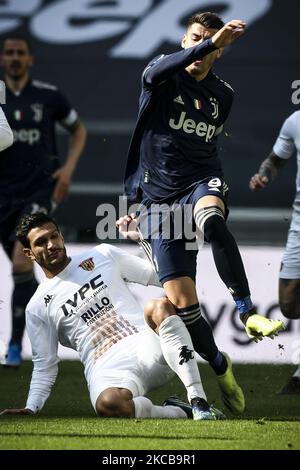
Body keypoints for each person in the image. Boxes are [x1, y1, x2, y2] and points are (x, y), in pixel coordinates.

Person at [123, 11, 284, 376]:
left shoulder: (223, 95)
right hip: (157, 198)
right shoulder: (161, 75)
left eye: (208, 43)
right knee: (185, 305)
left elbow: (206, 142)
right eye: (194, 38)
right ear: (184, 41)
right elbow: (150, 74)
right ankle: (218, 363)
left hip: (201, 179)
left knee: (211, 221)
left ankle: (247, 312)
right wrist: (211, 41)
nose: (199, 48)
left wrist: (209, 184)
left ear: (221, 53)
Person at [0, 213, 228, 420]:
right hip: (107, 368)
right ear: (28, 253)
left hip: (151, 347)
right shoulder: (37, 307)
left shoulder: (102, 254)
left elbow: (164, 277)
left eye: (54, 236)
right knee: (109, 406)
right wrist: (32, 407)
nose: (51, 245)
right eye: (41, 242)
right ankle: (180, 412)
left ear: (61, 236)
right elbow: (44, 365)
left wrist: (144, 240)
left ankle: (199, 401)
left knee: (158, 306)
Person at [0, 35, 87, 366]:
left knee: (22, 262)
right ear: (2, 59)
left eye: (20, 53)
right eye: (9, 53)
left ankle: (13, 346)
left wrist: (67, 171)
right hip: (2, 195)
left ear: (30, 60)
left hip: (38, 191)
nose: (15, 58)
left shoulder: (48, 96)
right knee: (20, 268)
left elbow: (78, 130)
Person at [249, 110, 300, 394]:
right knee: (289, 304)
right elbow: (275, 160)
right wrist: (263, 175)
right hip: (299, 219)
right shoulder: (294, 121)